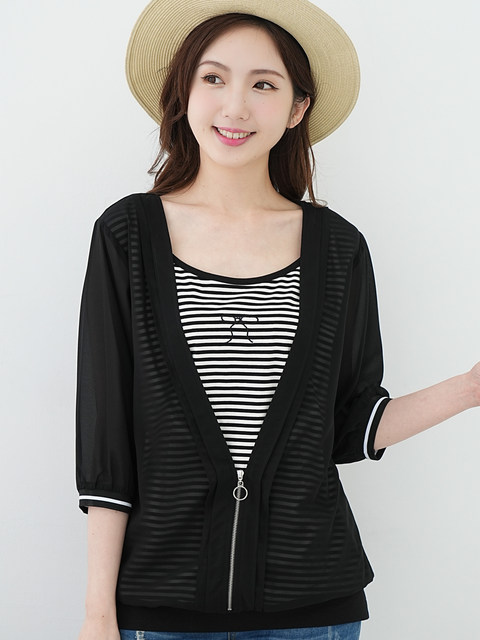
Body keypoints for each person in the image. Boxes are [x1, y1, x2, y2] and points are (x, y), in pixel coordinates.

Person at [75, 1, 480, 639]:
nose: (235, 106)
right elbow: (107, 445)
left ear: (296, 110)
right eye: (214, 78)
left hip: (315, 613)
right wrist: (98, 614)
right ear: (183, 93)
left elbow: (349, 426)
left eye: (264, 85)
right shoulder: (127, 235)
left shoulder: (338, 248)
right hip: (161, 613)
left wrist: (471, 388)